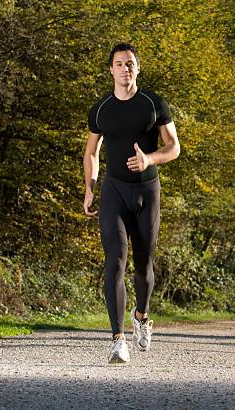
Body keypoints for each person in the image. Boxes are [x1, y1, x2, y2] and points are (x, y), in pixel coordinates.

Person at [83, 43, 180, 364]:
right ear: (111, 69)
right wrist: (90, 188)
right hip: (113, 191)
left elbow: (174, 147)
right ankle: (117, 339)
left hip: (147, 192)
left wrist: (150, 158)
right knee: (115, 261)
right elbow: (92, 153)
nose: (125, 68)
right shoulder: (100, 109)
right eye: (120, 63)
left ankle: (142, 316)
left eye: (131, 63)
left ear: (138, 68)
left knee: (144, 264)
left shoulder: (154, 104)